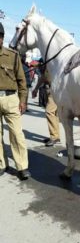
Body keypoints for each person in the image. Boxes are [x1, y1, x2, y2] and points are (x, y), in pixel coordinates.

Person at [0, 22, 30, 179]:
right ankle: (1, 164)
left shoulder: (13, 56)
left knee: (17, 134)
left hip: (11, 99)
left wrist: (23, 100)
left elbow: (22, 81)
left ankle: (22, 167)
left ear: (2, 38)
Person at [32, 67, 60, 146]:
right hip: (50, 90)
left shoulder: (53, 63)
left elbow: (44, 76)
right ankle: (56, 136)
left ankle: (54, 137)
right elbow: (44, 77)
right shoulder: (48, 64)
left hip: (55, 90)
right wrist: (36, 88)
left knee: (49, 111)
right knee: (54, 113)